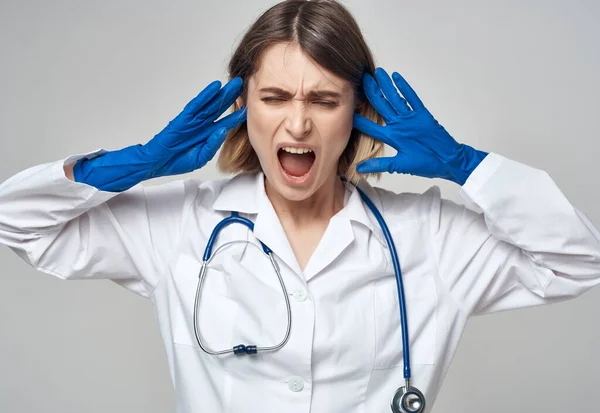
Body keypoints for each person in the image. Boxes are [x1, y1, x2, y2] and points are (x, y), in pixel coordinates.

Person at [1, 1, 599, 412]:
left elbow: (579, 261)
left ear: (359, 112)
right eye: (275, 96)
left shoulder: (430, 237)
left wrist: (469, 168)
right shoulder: (182, 225)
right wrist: (127, 168)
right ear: (244, 109)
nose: (298, 121)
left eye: (325, 98)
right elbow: (16, 222)